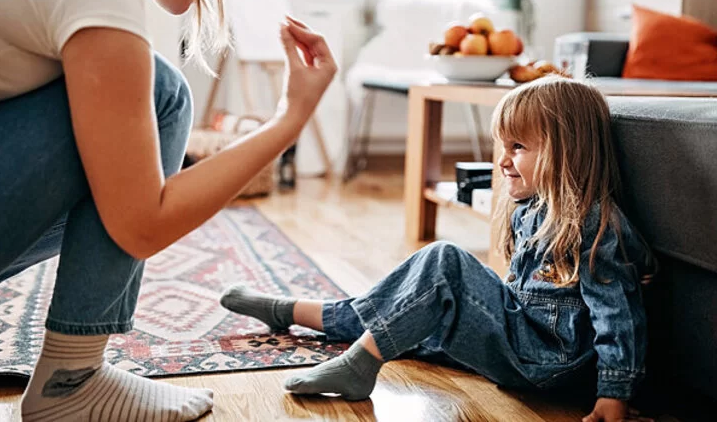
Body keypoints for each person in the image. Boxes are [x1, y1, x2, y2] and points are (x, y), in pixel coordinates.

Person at [0, 0, 337, 420]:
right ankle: (72, 382)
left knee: (120, 119)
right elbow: (142, 224)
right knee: (162, 94)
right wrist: (289, 120)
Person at [221, 77, 655, 422]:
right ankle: (295, 311)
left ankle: (359, 365)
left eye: (517, 147)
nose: (502, 160)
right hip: (523, 340)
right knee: (405, 310)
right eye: (502, 145)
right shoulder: (533, 208)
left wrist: (613, 394)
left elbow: (618, 315)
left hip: (545, 360)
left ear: (568, 151)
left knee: (443, 261)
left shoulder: (592, 221)